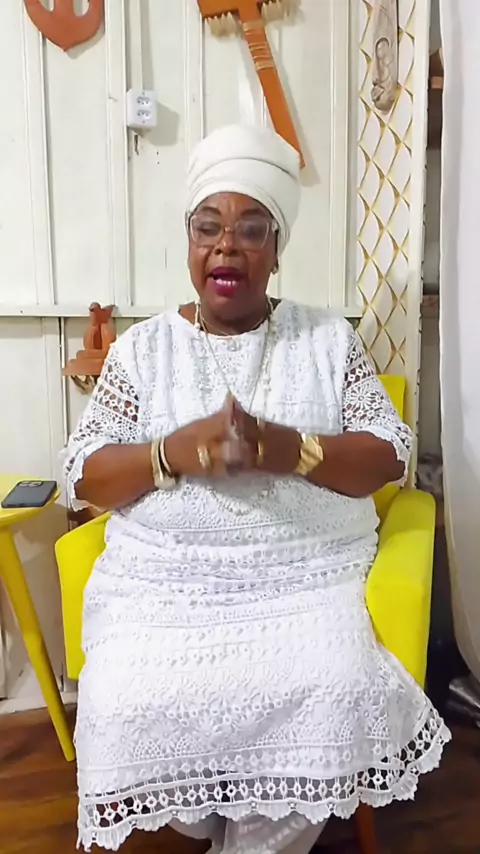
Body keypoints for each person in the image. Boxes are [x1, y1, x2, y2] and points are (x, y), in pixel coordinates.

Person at [64, 124, 450, 854]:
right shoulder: (142, 350)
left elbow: (388, 455)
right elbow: (84, 473)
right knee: (121, 700)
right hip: (165, 591)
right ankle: (223, 815)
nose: (226, 248)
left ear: (276, 249)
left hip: (305, 581)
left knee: (335, 688)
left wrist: (291, 450)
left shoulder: (327, 340)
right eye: (208, 228)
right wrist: (172, 453)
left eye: (250, 230)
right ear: (189, 243)